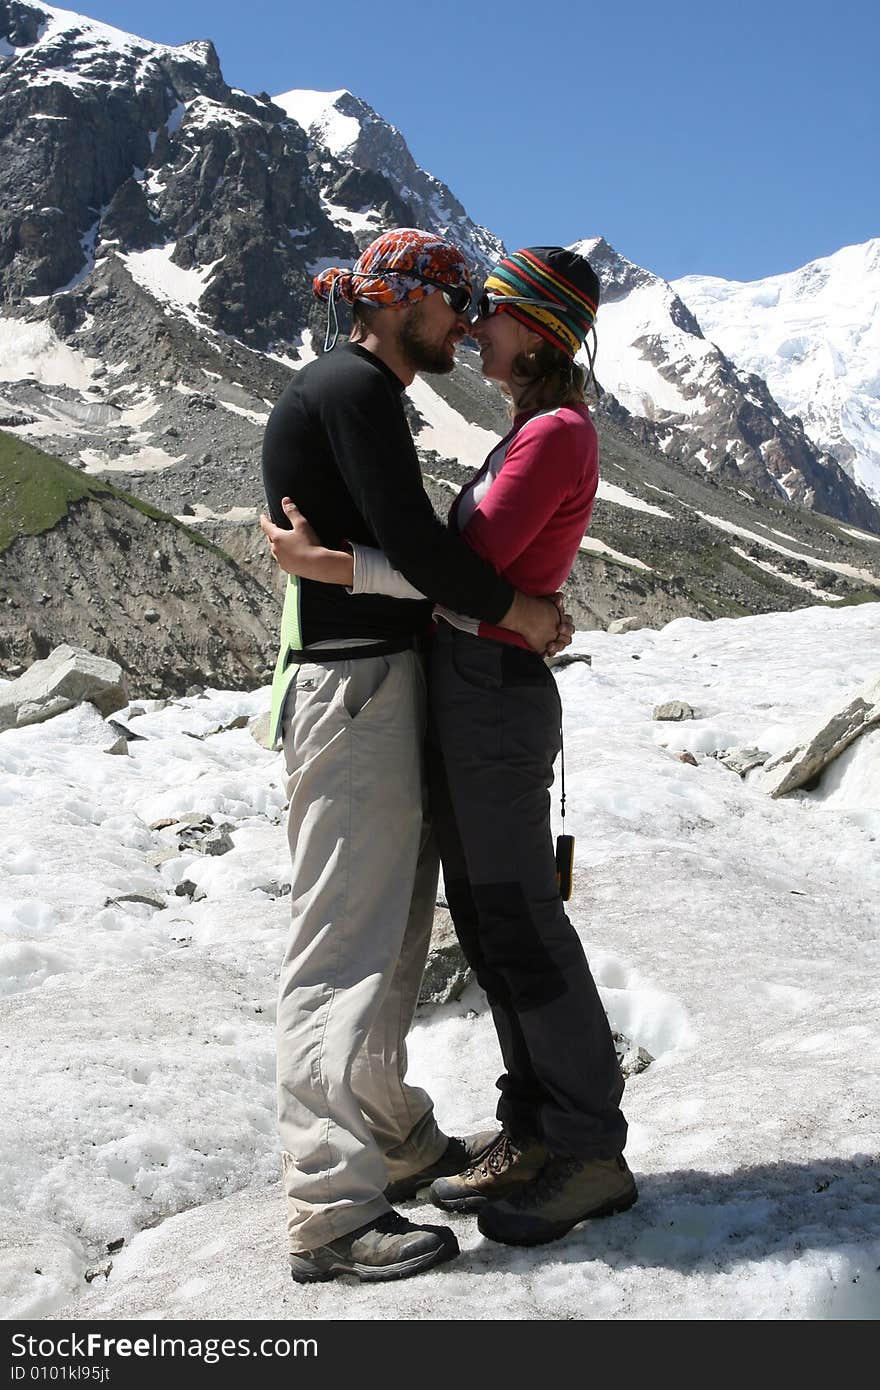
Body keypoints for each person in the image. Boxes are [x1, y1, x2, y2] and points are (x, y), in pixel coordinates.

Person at [263, 245, 636, 1252]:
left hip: (489, 695)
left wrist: (332, 564)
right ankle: (532, 1129)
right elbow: (456, 569)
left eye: (496, 312)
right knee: (486, 919)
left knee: (514, 917)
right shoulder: (521, 426)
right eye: (465, 306)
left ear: (543, 332)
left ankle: (585, 1145)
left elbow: (457, 565)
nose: (474, 325)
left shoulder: (553, 432)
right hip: (459, 689)